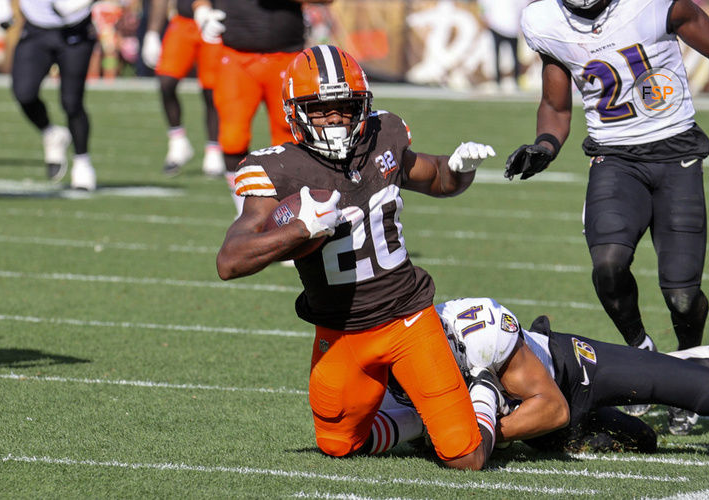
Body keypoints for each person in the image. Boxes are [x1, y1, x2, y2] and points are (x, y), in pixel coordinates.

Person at [216, 45, 510, 470]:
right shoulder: (278, 170)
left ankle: (484, 394)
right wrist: (301, 229)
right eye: (321, 108)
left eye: (345, 106)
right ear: (296, 112)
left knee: (465, 456)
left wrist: (460, 167)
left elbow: (440, 178)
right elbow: (230, 261)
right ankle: (414, 419)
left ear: (363, 105)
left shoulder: (382, 136)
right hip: (341, 331)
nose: (335, 118)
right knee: (338, 445)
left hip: (409, 319)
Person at [503, 0, 709, 428]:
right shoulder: (546, 21)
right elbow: (556, 107)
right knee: (608, 264)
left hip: (677, 154)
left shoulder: (654, 5)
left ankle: (685, 372)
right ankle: (640, 347)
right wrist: (544, 146)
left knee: (683, 297)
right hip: (613, 158)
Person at [383, 297, 709, 456]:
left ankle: (695, 358)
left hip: (570, 373)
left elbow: (554, 408)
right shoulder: (392, 372)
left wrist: (485, 437)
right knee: (643, 441)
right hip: (541, 433)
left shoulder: (480, 331)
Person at [191, 0, 334, 216]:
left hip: (286, 55)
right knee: (232, 137)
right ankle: (243, 210)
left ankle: (290, 206)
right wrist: (201, 10)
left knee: (292, 136)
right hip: (236, 55)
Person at [0, 0, 99, 190]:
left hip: (75, 29)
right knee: (23, 92)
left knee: (72, 102)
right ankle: (51, 133)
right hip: (36, 27)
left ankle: (82, 162)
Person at [140, 0, 223, 177]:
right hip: (183, 21)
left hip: (214, 21)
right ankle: (178, 142)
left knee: (212, 89)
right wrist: (152, 33)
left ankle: (214, 148)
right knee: (166, 81)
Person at [477, 0, 526, 89]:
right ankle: (499, 80)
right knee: (498, 55)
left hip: (511, 28)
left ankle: (515, 80)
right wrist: (484, 17)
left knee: (514, 56)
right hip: (498, 26)